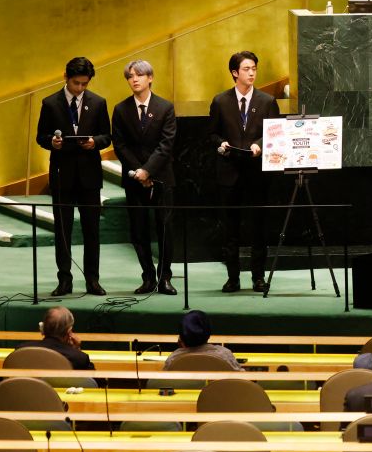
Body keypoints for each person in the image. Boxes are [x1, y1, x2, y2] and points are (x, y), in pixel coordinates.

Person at [35, 57, 111, 297]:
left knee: (92, 231)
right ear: (65, 78)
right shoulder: (50, 104)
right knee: (63, 231)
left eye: (84, 84)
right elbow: (41, 136)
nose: (80, 88)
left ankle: (93, 280)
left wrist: (94, 142)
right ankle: (64, 280)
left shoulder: (98, 103)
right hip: (62, 175)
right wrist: (52, 142)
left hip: (89, 176)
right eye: (76, 83)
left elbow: (106, 136)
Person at [208, 51, 280, 293]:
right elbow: (212, 134)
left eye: (254, 69)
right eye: (246, 69)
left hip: (257, 173)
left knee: (259, 227)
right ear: (235, 73)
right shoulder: (220, 101)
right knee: (231, 228)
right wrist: (220, 145)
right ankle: (233, 278)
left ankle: (258, 277)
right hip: (229, 172)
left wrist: (260, 143)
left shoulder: (267, 101)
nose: (251, 73)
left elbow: (275, 132)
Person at [111, 60, 177, 295]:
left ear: (150, 77)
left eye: (139, 75)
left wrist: (148, 170)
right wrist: (139, 172)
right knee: (138, 231)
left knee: (165, 228)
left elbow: (166, 144)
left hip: (161, 177)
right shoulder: (121, 109)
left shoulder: (165, 107)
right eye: (130, 76)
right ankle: (148, 277)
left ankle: (165, 278)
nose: (134, 79)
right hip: (134, 178)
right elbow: (120, 145)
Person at [17, 307, 95, 370]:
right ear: (69, 332)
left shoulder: (21, 350)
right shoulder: (78, 358)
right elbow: (98, 383)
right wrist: (77, 350)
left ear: (42, 328)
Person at [162, 310, 242, 370]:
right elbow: (243, 382)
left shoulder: (174, 358)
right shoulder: (224, 355)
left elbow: (163, 383)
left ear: (181, 338)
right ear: (209, 333)